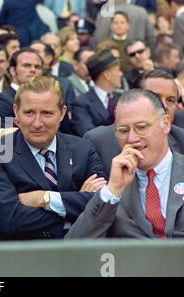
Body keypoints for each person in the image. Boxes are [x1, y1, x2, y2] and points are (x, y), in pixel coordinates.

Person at [0, 76, 106, 240]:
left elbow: (103, 204)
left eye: (47, 113)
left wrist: (44, 198)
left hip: (78, 252)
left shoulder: (83, 148)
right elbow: (10, 219)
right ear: (16, 113)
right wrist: (77, 208)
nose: (37, 123)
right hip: (20, 256)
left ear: (62, 113)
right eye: (29, 113)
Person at [66, 89, 184, 238]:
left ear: (165, 124)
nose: (132, 138)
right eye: (123, 130)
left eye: (141, 127)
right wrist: (113, 190)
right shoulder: (114, 187)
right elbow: (74, 247)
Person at [84, 69, 184, 175]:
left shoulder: (181, 138)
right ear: (133, 98)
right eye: (155, 98)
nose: (163, 106)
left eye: (170, 100)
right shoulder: (98, 141)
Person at [0, 47, 43, 129]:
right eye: (27, 65)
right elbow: (3, 138)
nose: (33, 70)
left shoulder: (49, 100)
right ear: (13, 71)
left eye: (37, 67)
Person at [72, 50, 123, 136]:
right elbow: (88, 134)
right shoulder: (81, 103)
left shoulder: (122, 98)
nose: (121, 74)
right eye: (118, 70)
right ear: (107, 75)